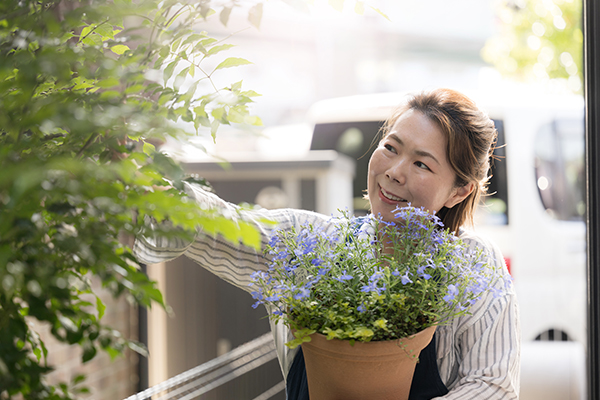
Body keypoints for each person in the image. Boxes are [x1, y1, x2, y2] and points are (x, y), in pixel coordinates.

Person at [134, 88, 520, 399]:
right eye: (391, 147)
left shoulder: (472, 267)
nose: (394, 171)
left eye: (422, 164)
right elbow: (229, 226)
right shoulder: (316, 246)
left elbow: (493, 386)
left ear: (459, 191)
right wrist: (144, 181)